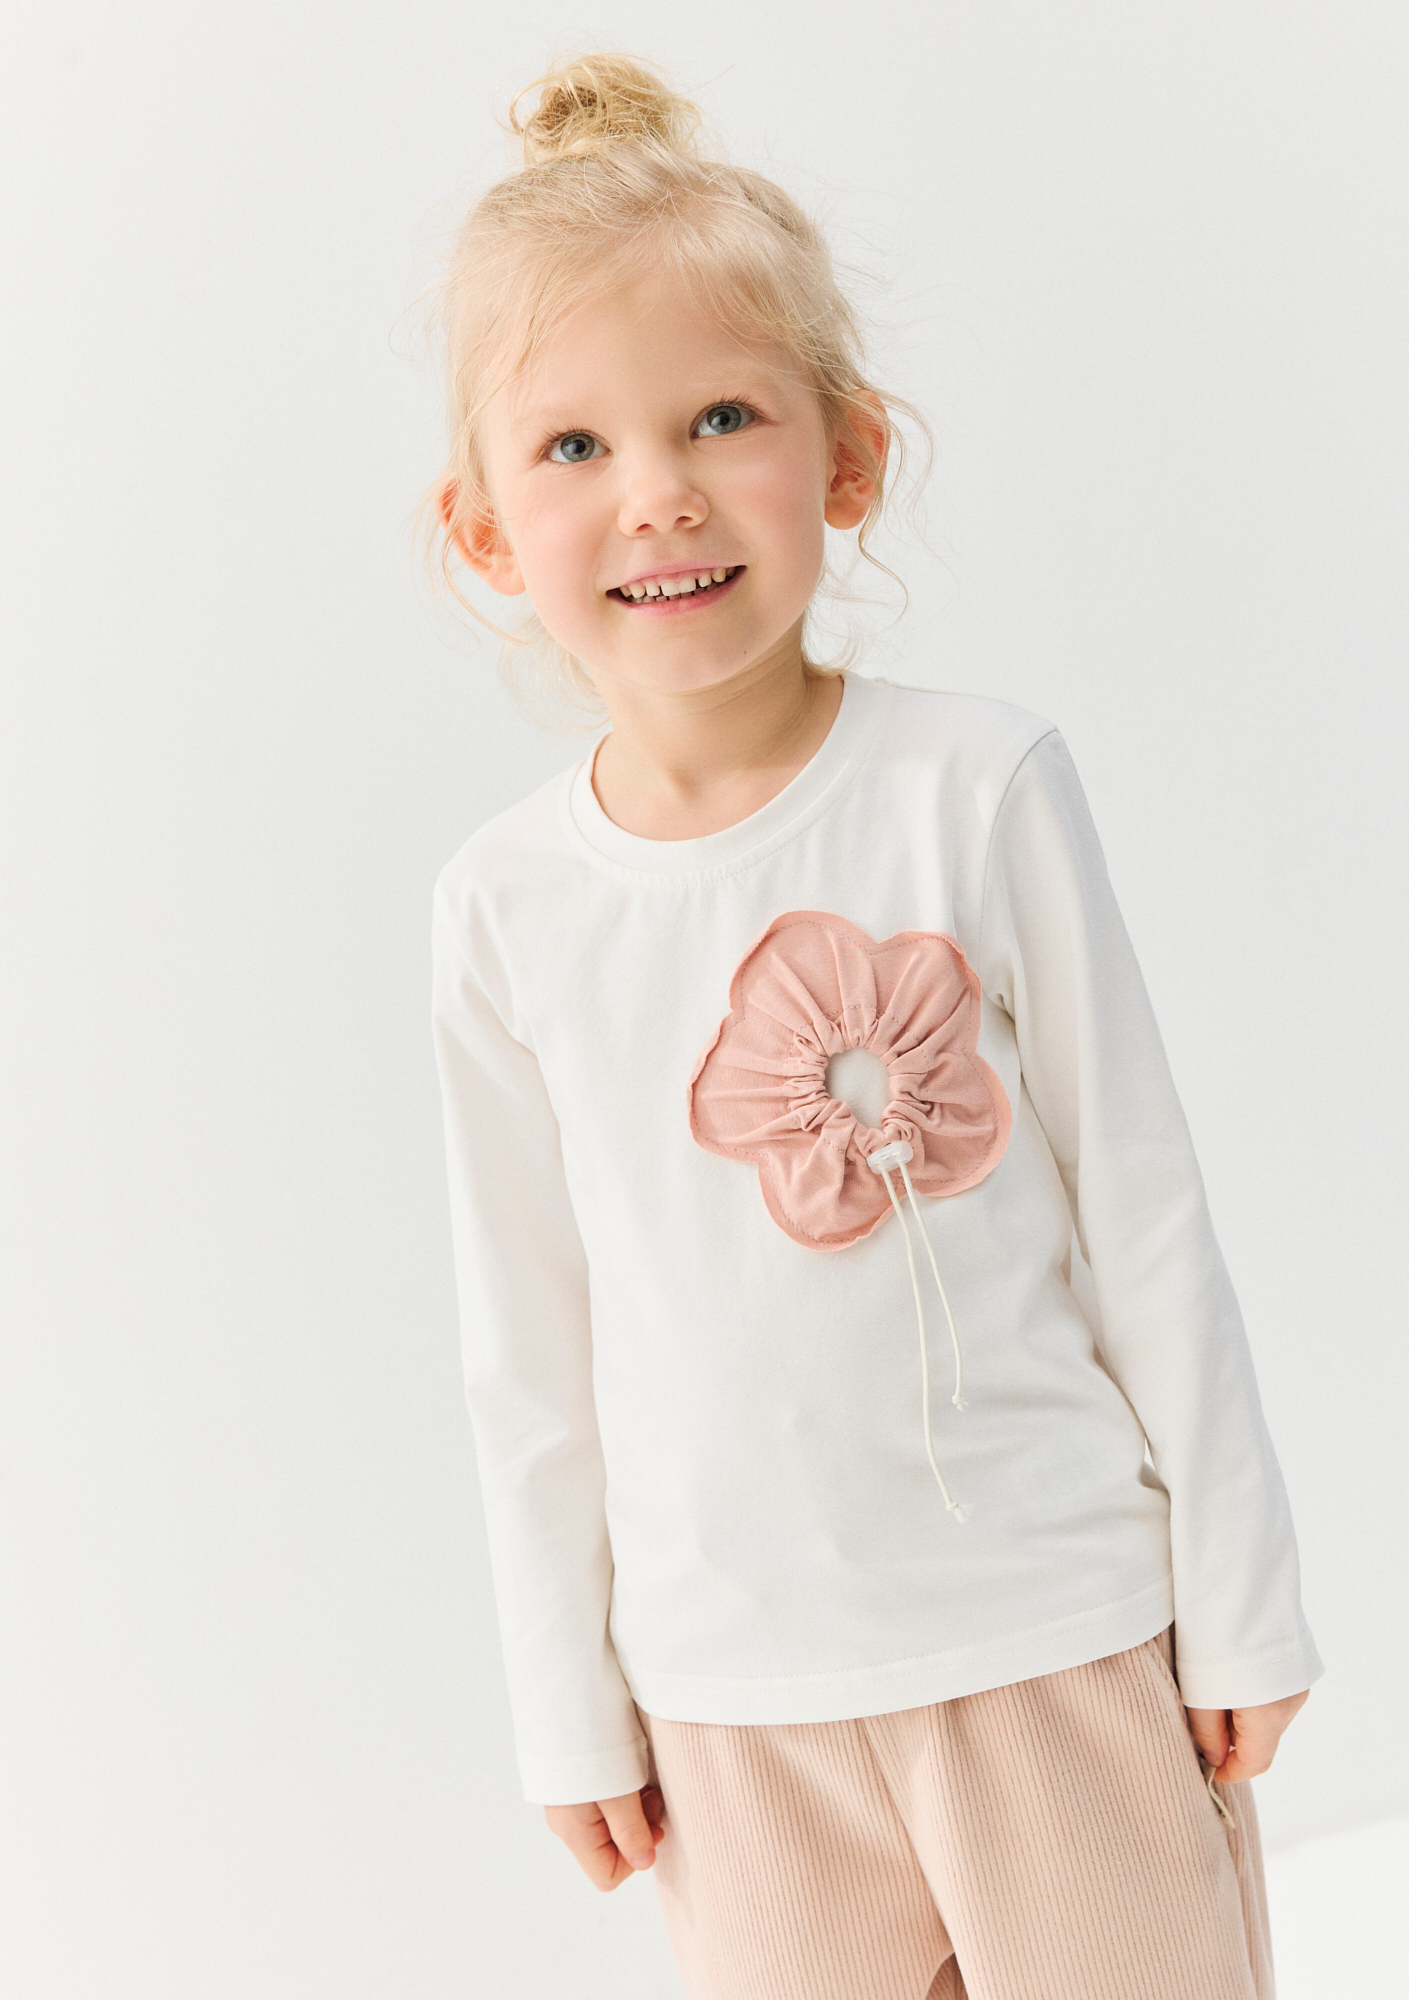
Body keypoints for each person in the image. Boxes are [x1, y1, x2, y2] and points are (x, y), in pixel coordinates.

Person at [427, 53, 1320, 2000]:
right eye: (572, 444)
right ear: (484, 526)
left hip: (1054, 1644)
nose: (657, 490)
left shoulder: (972, 788)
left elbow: (1144, 1204)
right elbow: (528, 1349)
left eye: (721, 416)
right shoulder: (506, 907)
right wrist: (567, 1702)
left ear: (847, 457)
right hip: (733, 1714)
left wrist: (1242, 1598)